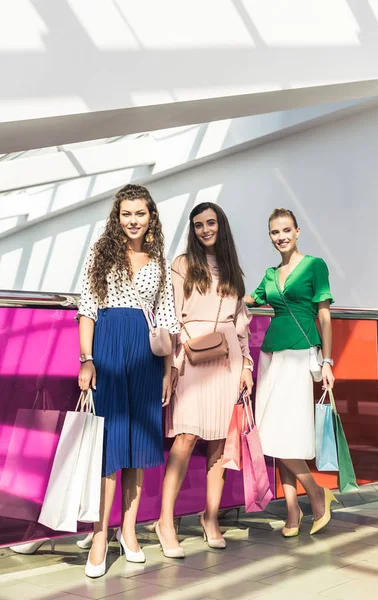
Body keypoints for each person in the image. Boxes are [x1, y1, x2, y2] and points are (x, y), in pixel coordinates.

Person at [77, 184, 179, 577]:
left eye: (140, 213)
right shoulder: (100, 253)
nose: (133, 220)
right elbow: (87, 307)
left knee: (138, 445)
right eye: (126, 214)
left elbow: (166, 317)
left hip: (146, 354)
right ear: (117, 217)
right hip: (108, 346)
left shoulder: (157, 258)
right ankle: (101, 534)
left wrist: (169, 370)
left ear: (150, 215)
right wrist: (87, 359)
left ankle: (129, 530)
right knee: (110, 445)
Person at [155, 202, 254, 558]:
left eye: (211, 223)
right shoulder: (182, 265)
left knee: (219, 443)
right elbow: (169, 316)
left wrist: (247, 367)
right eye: (198, 225)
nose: (205, 229)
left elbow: (241, 327)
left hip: (227, 361)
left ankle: (210, 517)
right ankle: (165, 521)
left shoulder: (233, 270)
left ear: (221, 225)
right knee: (185, 438)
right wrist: (174, 364)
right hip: (192, 359)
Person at [245, 208, 337, 537]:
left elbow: (324, 317)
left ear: (297, 231)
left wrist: (327, 361)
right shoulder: (270, 275)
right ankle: (292, 510)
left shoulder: (315, 266)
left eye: (286, 230)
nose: (281, 236)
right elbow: (246, 300)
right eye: (274, 232)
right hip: (271, 357)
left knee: (287, 434)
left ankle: (314, 492)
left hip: (300, 356)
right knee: (272, 433)